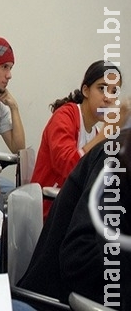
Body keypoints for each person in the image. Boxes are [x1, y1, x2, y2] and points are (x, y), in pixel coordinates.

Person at [18, 116, 130, 308]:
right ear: (86, 91)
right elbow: (79, 263)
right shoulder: (118, 157)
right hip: (58, 299)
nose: (108, 98)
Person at [31, 60, 123, 218]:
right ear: (86, 90)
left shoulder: (94, 132)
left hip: (72, 212)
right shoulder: (65, 116)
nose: (108, 98)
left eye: (114, 91)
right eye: (102, 88)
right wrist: (103, 136)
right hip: (47, 212)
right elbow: (68, 166)